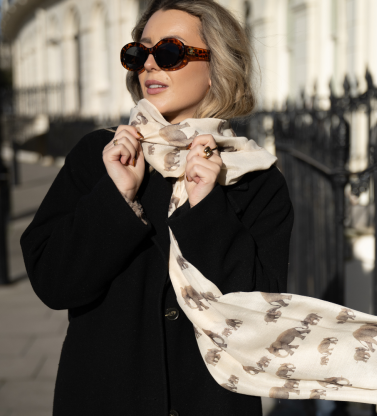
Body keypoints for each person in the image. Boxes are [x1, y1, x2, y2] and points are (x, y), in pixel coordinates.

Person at [20, 0, 294, 415]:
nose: (149, 64)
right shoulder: (100, 155)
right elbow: (54, 283)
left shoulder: (255, 177)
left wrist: (207, 208)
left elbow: (259, 314)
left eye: (169, 52)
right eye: (139, 52)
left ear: (218, 67)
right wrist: (116, 199)